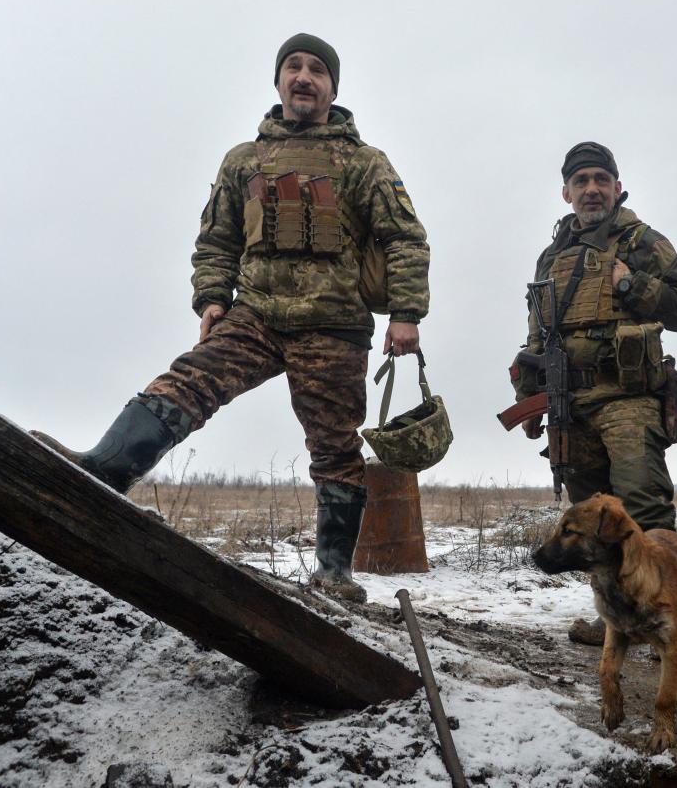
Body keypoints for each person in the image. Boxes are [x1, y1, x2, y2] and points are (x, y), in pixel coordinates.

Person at [33, 33, 430, 602]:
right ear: (277, 82)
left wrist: (406, 312)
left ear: (332, 88)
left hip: (334, 323)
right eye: (293, 66)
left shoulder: (364, 162)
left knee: (335, 447)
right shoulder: (243, 161)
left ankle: (335, 574)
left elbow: (406, 240)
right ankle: (106, 470)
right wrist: (212, 298)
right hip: (258, 313)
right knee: (187, 382)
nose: (304, 77)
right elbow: (216, 239)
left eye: (317, 69)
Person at [515, 142, 677, 644]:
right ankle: (614, 621)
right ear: (566, 192)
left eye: (602, 178)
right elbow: (540, 332)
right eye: (582, 181)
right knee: (589, 526)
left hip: (627, 397)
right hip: (569, 404)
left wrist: (634, 287)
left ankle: (663, 613)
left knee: (642, 503)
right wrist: (531, 392)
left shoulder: (642, 242)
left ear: (618, 187)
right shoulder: (552, 255)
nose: (592, 189)